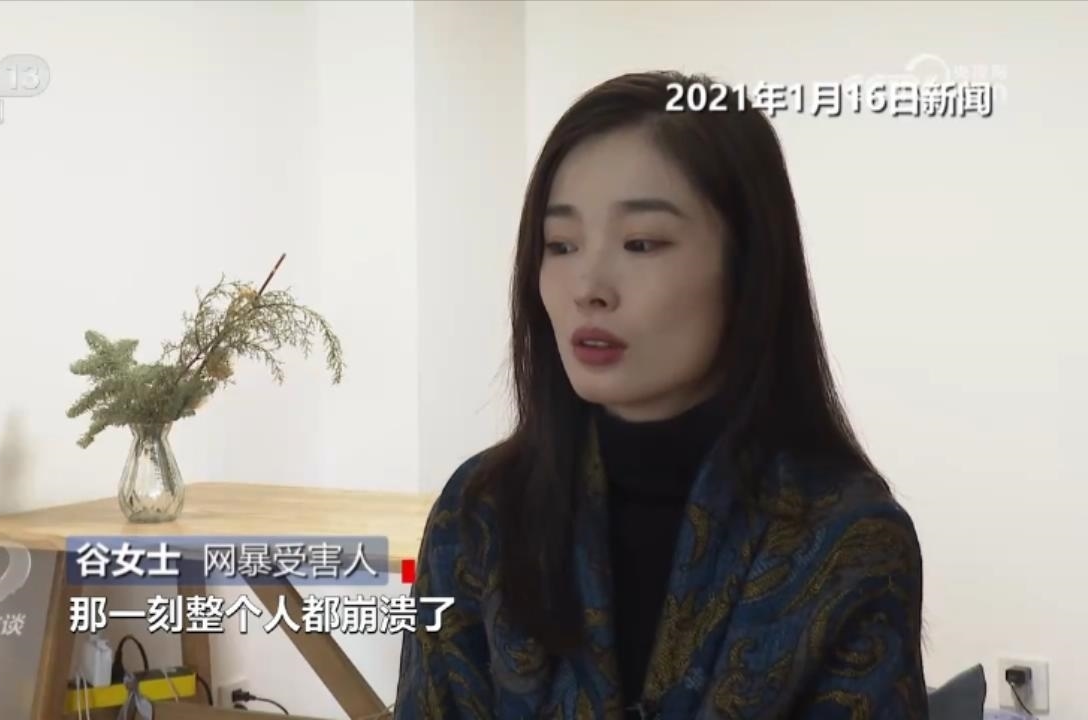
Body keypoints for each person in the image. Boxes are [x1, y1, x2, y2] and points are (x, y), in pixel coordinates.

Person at [393, 70, 928, 719]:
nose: (588, 287)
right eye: (560, 245)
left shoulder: (849, 540)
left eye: (641, 243)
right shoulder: (478, 513)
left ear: (748, 266)